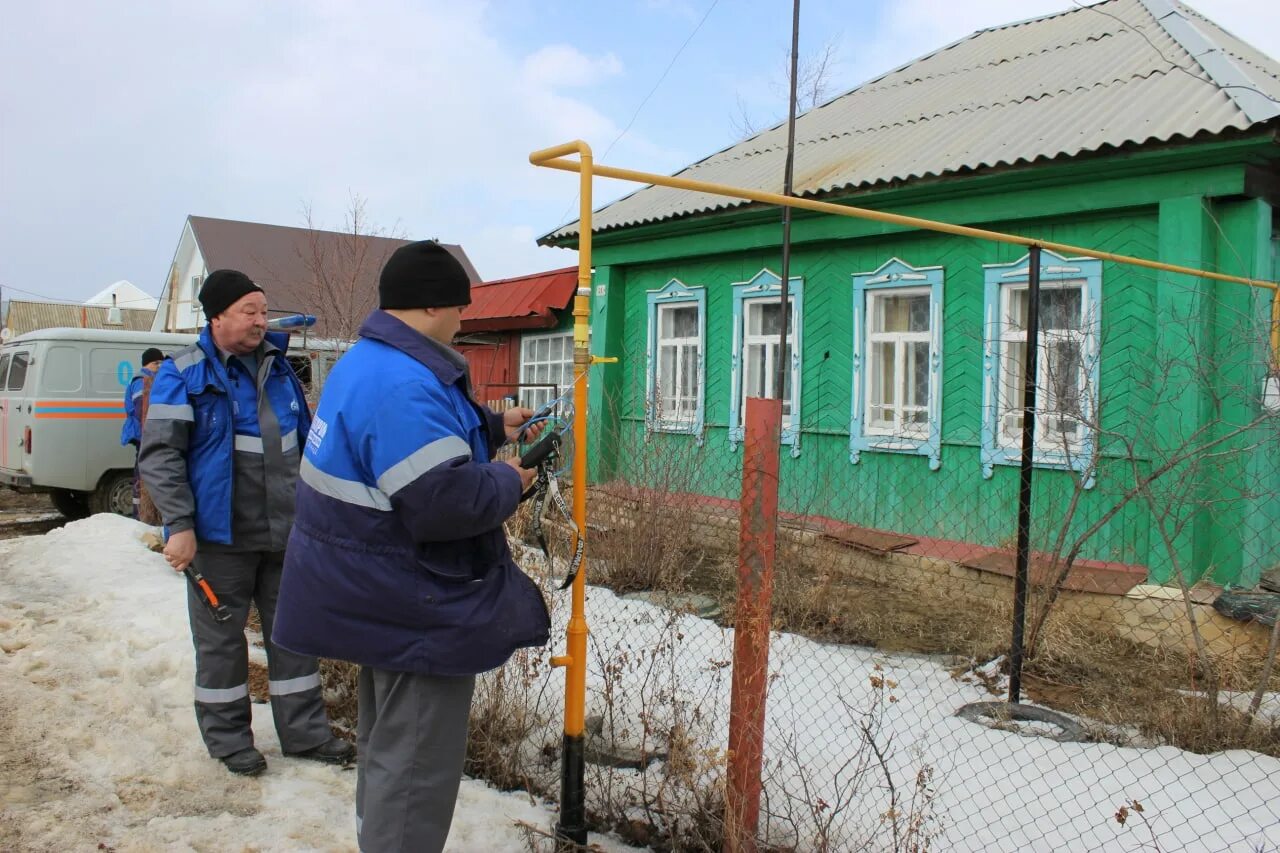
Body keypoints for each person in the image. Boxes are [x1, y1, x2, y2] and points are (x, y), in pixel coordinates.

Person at [272, 241, 552, 852]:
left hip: (377, 589)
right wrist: (509, 478)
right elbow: (443, 501)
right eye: (459, 307)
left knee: (390, 749)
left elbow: (402, 453)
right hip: (414, 598)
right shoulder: (403, 382)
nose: (462, 320)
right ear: (430, 305)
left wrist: (488, 425)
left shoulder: (371, 363)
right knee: (415, 770)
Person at [138, 268, 353, 777]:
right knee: (220, 646)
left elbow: (307, 445)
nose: (261, 321)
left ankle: (304, 734)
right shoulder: (182, 374)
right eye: (248, 312)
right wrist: (180, 525)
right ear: (216, 318)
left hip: (286, 534)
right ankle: (230, 740)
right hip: (218, 541)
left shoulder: (280, 370)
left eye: (263, 310)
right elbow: (161, 457)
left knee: (294, 637)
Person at [122, 347, 164, 518]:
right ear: (148, 364)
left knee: (143, 471)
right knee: (143, 473)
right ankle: (140, 515)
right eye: (157, 363)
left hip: (142, 434)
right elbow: (142, 409)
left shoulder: (145, 379)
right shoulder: (143, 380)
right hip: (144, 434)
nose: (160, 366)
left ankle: (143, 513)